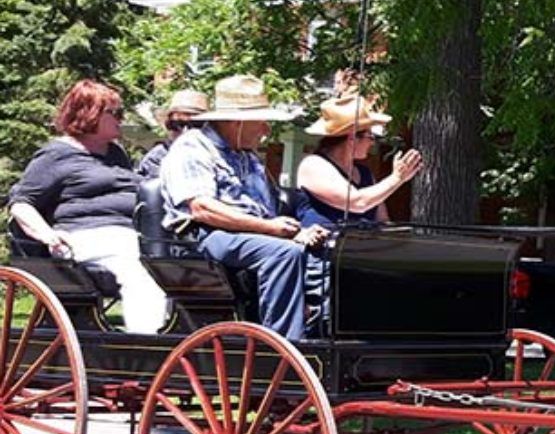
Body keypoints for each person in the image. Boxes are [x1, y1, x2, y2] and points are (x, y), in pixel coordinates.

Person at [160, 74, 328, 341]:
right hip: (206, 236)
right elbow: (202, 208)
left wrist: (298, 232)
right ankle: (284, 345)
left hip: (252, 234)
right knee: (284, 253)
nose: (266, 130)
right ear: (237, 122)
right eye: (261, 122)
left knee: (329, 252)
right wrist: (271, 229)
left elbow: (268, 212)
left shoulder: (248, 157)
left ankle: (322, 331)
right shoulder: (192, 148)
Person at [7, 80, 169, 333]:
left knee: (180, 265)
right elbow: (21, 204)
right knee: (138, 267)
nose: (122, 118)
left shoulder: (115, 154)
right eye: (115, 112)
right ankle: (147, 342)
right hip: (84, 236)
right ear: (89, 114)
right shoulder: (56, 155)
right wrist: (49, 236)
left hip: (132, 233)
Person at [295, 91, 423, 228]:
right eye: (370, 136)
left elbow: (382, 221)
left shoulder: (365, 173)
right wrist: (397, 178)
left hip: (365, 241)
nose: (372, 143)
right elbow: (357, 203)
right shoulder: (313, 165)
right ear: (352, 138)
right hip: (325, 240)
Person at [136, 89, 209, 178]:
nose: (185, 131)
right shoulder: (156, 159)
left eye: (195, 125)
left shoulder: (216, 154)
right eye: (177, 124)